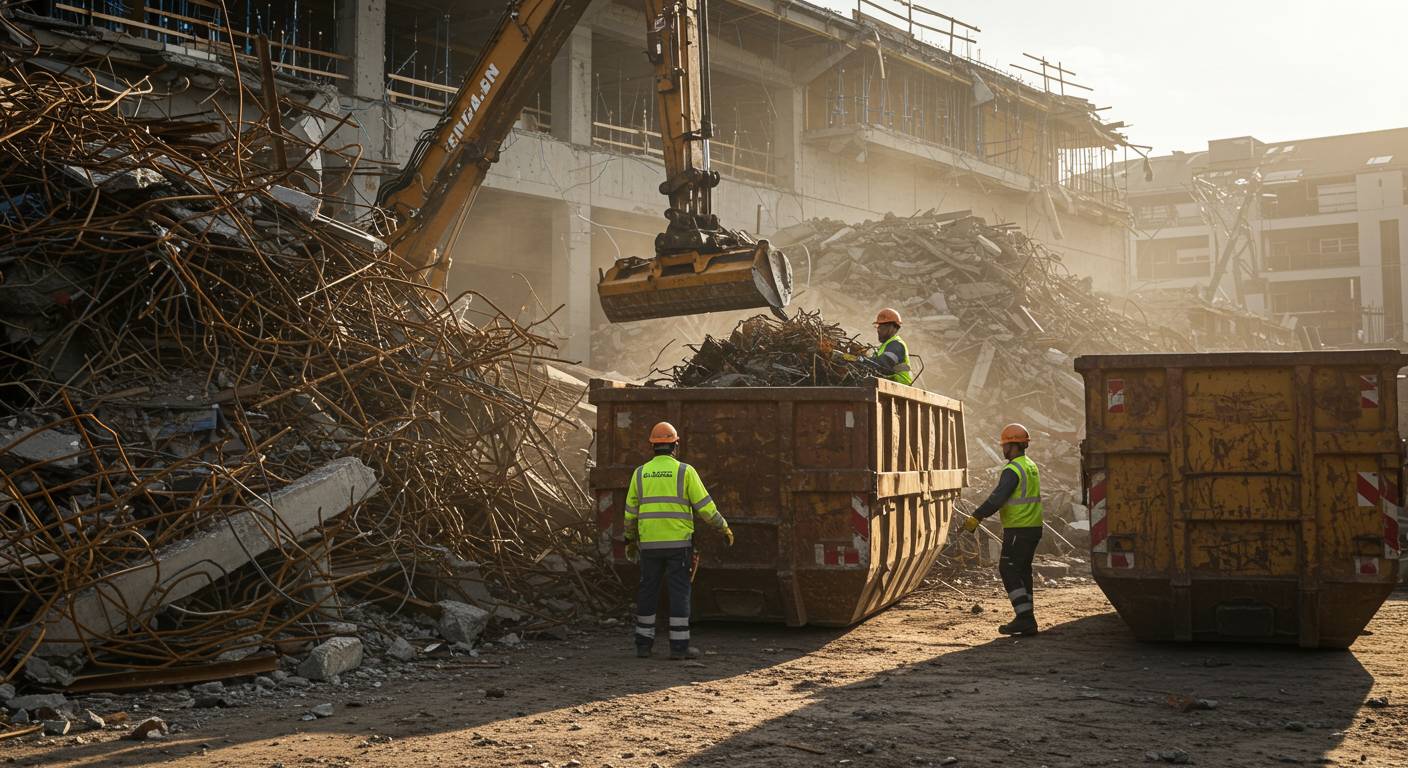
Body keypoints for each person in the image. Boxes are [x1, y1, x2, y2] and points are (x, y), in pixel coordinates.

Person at [623, 421, 733, 659]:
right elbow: (705, 507)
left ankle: (643, 646)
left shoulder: (640, 473)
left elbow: (630, 513)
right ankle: (679, 648)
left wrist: (630, 540)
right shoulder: (685, 471)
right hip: (678, 545)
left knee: (648, 591)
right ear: (675, 445)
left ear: (652, 446)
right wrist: (722, 527)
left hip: (649, 545)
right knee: (679, 592)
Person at [963, 423, 1043, 636]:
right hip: (1033, 527)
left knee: (1008, 569)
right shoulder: (1030, 465)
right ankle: (1028, 617)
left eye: (1005, 445)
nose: (1003, 449)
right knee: (1023, 570)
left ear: (1013, 446)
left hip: (1019, 528)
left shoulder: (1012, 469)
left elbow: (997, 498)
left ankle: (1024, 618)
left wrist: (977, 516)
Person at [871, 308, 913, 385]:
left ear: (892, 327)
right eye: (878, 326)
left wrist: (861, 360)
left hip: (900, 387)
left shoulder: (896, 345)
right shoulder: (883, 347)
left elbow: (883, 366)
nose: (878, 330)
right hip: (889, 385)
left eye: (881, 326)